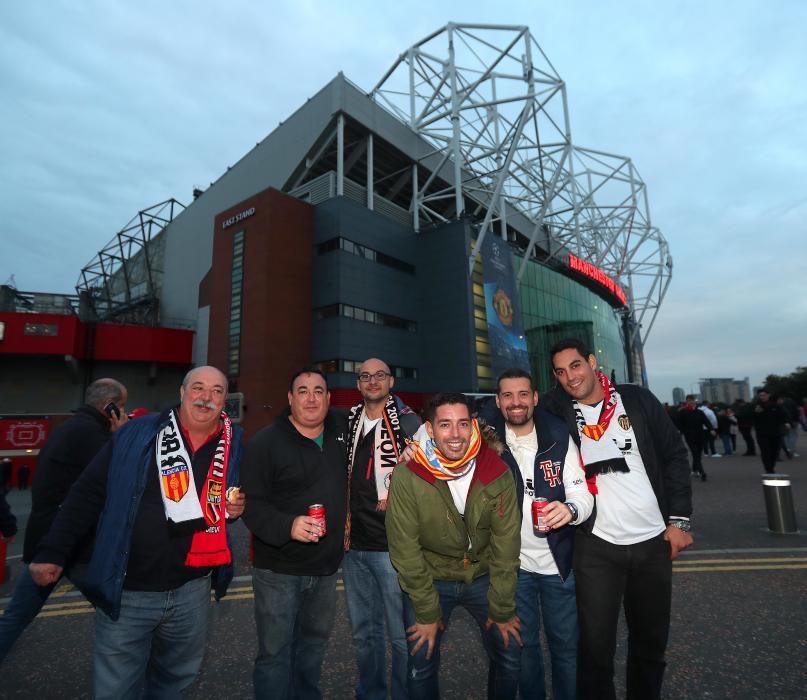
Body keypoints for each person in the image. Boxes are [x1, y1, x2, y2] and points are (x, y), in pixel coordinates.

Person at [30, 366, 245, 698]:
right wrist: (52, 551)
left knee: (175, 683)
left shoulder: (233, 440)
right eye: (198, 388)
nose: (206, 397)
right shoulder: (139, 433)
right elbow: (88, 491)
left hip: (192, 590)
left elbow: (221, 501)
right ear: (182, 392)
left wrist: (232, 511)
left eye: (217, 391)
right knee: (116, 689)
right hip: (129, 589)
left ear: (224, 399)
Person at [541, 339, 693, 700]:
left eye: (576, 366)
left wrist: (680, 521)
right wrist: (422, 441)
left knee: (650, 644)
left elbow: (674, 455)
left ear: (592, 362)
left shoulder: (637, 400)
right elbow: (507, 411)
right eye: (560, 372)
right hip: (596, 546)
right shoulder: (557, 407)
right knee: (594, 650)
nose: (570, 377)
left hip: (653, 542)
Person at [386, 393, 522, 700]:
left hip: (483, 575)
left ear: (473, 425)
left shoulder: (496, 470)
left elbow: (506, 544)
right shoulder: (409, 474)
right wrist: (426, 610)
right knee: (420, 664)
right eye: (445, 425)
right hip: (430, 578)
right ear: (430, 429)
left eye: (463, 424)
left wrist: (502, 608)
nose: (456, 434)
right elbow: (404, 547)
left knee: (511, 654)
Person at [0, 378, 128, 664]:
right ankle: (130, 679)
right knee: (120, 615)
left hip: (46, 542)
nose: (124, 412)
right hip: (74, 544)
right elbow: (118, 478)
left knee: (16, 616)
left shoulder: (69, 429)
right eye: (121, 406)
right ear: (110, 407)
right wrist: (119, 436)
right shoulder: (93, 435)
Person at [241, 367, 347, 700]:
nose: (311, 398)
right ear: (290, 399)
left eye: (319, 391)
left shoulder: (339, 435)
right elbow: (252, 506)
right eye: (303, 391)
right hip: (279, 570)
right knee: (275, 655)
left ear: (329, 399)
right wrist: (289, 525)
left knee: (313, 649)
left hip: (326, 569)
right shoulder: (264, 443)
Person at [489, 369, 593, 700]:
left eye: (523, 394)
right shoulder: (485, 442)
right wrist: (412, 450)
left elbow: (582, 495)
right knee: (524, 646)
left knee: (565, 645)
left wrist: (571, 511)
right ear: (498, 401)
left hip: (556, 563)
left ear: (535, 398)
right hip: (512, 565)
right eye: (507, 395)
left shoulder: (559, 435)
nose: (515, 402)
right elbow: (435, 435)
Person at [343, 358, 420, 700]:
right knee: (364, 634)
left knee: (402, 636)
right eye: (365, 376)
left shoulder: (409, 423)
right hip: (353, 544)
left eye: (379, 376)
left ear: (391, 382)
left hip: (393, 546)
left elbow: (429, 477)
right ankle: (371, 693)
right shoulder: (349, 421)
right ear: (358, 384)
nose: (372, 381)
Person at [676, 395, 715, 482]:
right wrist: (680, 432)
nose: (691, 402)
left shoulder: (699, 412)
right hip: (689, 437)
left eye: (692, 400)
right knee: (695, 453)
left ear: (695, 401)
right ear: (686, 402)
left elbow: (706, 421)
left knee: (698, 454)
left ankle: (694, 469)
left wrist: (711, 429)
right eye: (689, 400)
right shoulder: (682, 412)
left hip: (700, 436)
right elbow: (678, 424)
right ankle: (702, 472)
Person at [753, 390, 789, 473]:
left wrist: (787, 422)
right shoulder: (756, 406)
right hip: (762, 433)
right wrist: (755, 413)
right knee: (765, 451)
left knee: (774, 451)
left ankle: (771, 466)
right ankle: (769, 470)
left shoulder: (775, 405)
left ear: (768, 395)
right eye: (760, 395)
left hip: (775, 432)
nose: (762, 397)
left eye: (764, 395)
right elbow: (750, 417)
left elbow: (784, 415)